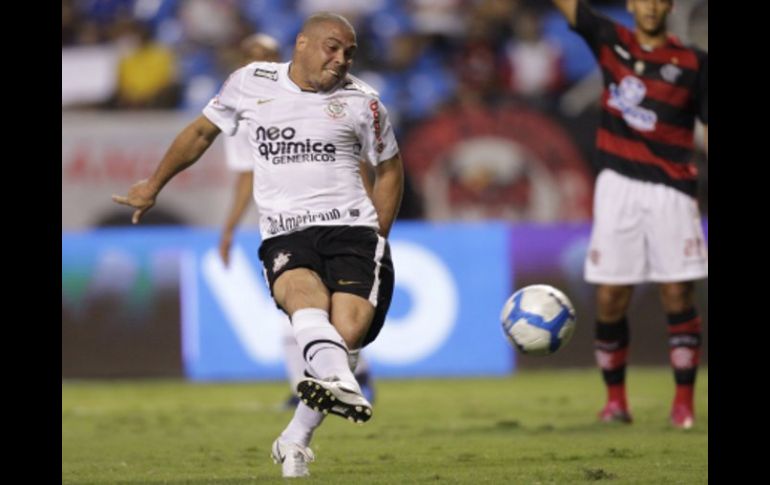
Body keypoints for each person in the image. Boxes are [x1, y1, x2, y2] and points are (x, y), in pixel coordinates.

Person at [112, 12, 404, 477]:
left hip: (353, 229)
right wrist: (154, 184)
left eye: (349, 52)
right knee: (301, 300)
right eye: (332, 47)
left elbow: (389, 167)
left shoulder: (363, 102)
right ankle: (337, 386)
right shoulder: (250, 83)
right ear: (302, 43)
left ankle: (294, 439)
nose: (341, 59)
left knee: (344, 335)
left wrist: (379, 236)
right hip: (286, 230)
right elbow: (200, 133)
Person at [550, 0, 707, 429]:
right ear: (632, 5)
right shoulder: (611, 40)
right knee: (609, 298)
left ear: (669, 6)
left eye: (660, 0)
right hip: (616, 187)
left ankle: (683, 404)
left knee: (678, 294)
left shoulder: (694, 62)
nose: (652, 7)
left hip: (672, 190)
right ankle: (616, 402)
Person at [218, 32, 376, 408]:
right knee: (305, 310)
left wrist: (369, 211)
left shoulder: (319, 98)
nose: (258, 61)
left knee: (307, 312)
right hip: (283, 225)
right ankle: (346, 372)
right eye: (251, 54)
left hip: (332, 219)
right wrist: (229, 228)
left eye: (266, 55)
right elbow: (246, 175)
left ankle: (321, 383)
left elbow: (353, 156)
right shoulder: (244, 107)